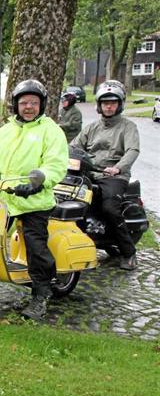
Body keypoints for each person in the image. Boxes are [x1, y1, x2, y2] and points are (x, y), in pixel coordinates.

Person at [0, 79, 69, 319]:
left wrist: (40, 179)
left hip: (34, 200)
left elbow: (56, 164)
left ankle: (41, 293)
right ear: (15, 105)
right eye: (24, 102)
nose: (29, 107)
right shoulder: (6, 130)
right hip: (5, 197)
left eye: (34, 103)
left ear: (42, 105)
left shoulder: (50, 130)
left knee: (35, 246)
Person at [71, 80, 140, 270]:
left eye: (113, 102)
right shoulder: (92, 127)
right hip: (90, 172)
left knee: (110, 208)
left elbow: (133, 150)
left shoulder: (128, 127)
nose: (108, 106)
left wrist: (118, 168)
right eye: (105, 103)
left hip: (114, 176)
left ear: (120, 104)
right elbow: (74, 146)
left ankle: (129, 252)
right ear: (99, 105)